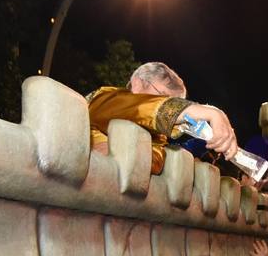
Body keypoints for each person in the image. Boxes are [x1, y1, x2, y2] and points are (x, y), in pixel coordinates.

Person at [87, 62, 237, 173]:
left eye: (174, 101)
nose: (169, 105)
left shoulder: (157, 137)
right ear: (138, 84)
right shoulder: (104, 98)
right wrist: (211, 112)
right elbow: (131, 107)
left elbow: (153, 161)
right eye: (163, 97)